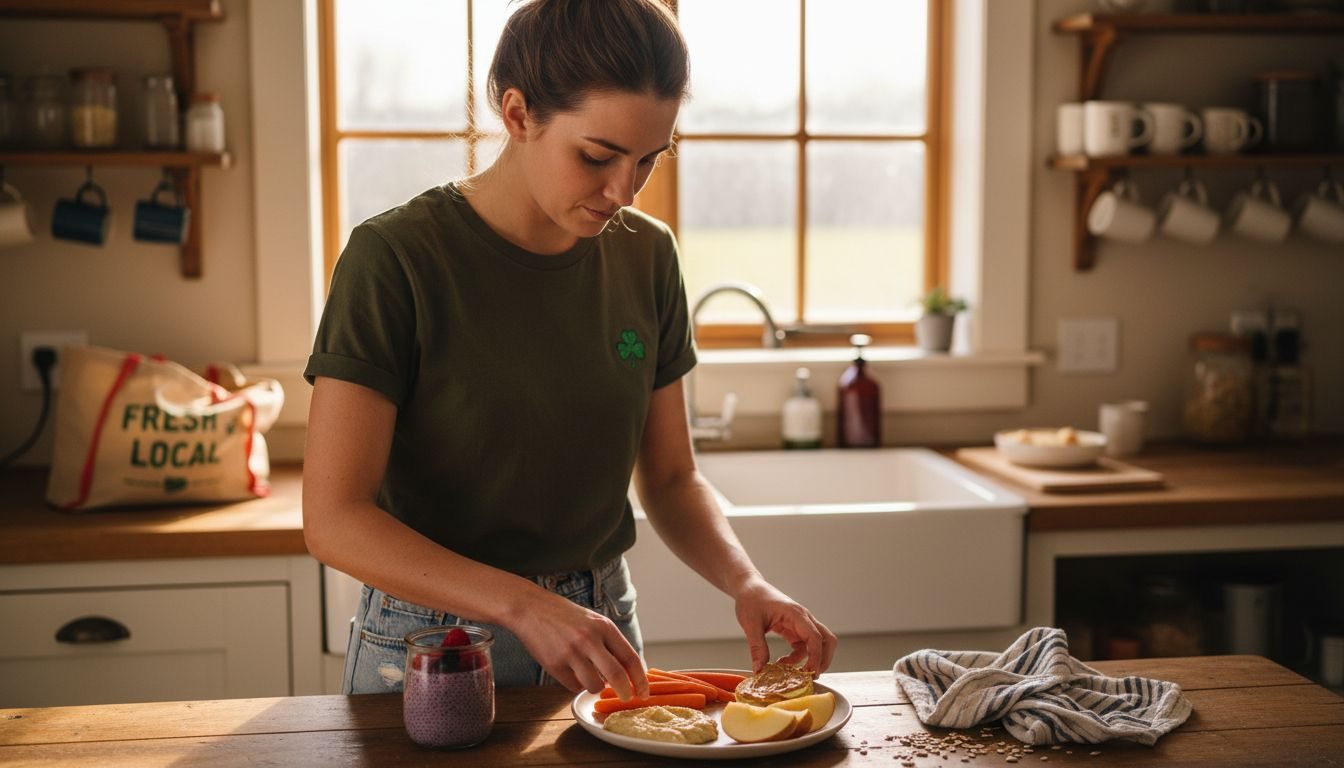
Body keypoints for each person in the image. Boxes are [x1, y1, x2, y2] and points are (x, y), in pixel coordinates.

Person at [302, 0, 837, 700]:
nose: (622, 189)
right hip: (432, 643)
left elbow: (672, 480)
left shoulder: (648, 257)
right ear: (519, 115)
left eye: (648, 159)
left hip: (598, 625)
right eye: (597, 156)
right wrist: (523, 606)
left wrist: (746, 580)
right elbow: (335, 519)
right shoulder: (396, 258)